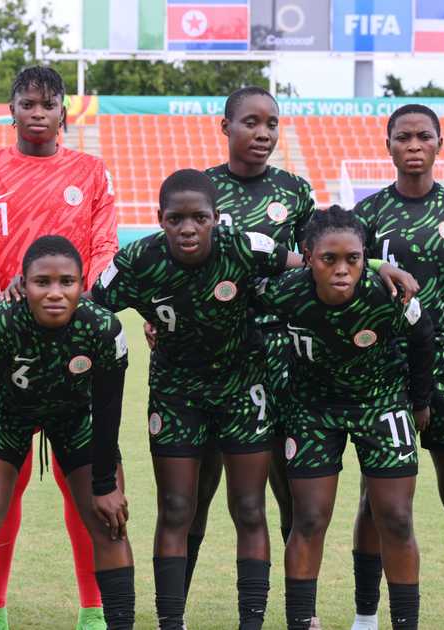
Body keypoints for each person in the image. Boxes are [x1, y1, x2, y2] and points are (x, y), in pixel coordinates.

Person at [89, 168, 310, 630]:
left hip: (242, 389)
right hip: (176, 393)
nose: (188, 228)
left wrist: (377, 268)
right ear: (160, 219)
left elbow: (315, 264)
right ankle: (171, 622)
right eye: (176, 219)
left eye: (199, 218)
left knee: (249, 508)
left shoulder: (244, 246)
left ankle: (251, 622)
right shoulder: (137, 260)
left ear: (216, 218)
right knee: (176, 509)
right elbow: (89, 304)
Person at [0, 65, 117, 630]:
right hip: (8, 346)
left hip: (76, 346)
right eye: (27, 103)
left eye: (47, 104)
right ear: (12, 110)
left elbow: (104, 246)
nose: (37, 113)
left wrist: (83, 303)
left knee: (85, 489)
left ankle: (94, 610)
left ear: (62, 113)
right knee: (3, 485)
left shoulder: (91, 171)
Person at [255, 206, 434, 630]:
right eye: (328, 259)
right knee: (309, 518)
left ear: (364, 258)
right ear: (307, 257)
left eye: (353, 259)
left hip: (381, 404)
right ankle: (301, 621)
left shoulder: (386, 294)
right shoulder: (285, 292)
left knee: (396, 518)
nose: (341, 269)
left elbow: (423, 335)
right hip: (312, 409)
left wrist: (420, 401)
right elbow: (241, 295)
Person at [350, 103, 444, 630]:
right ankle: (366, 617)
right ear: (387, 145)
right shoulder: (367, 214)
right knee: (376, 504)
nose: (414, 145)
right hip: (384, 372)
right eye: (403, 137)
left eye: (423, 136)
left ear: (439, 144)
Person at [0, 235, 135, 630]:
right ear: (24, 283)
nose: (54, 292)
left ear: (82, 284)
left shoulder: (103, 327)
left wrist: (105, 484)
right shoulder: (2, 321)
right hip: (9, 416)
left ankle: (112, 619)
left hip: (75, 419)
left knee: (110, 522)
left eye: (66, 282)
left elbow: (108, 410)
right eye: (42, 282)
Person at [175, 86, 316, 600]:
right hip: (212, 356)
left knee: (288, 488)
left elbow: (317, 266)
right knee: (196, 493)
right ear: (226, 126)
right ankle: (175, 609)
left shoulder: (295, 192)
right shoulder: (202, 188)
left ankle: (300, 610)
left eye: (271, 124)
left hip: (282, 358)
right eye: (251, 122)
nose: (263, 133)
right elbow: (174, 263)